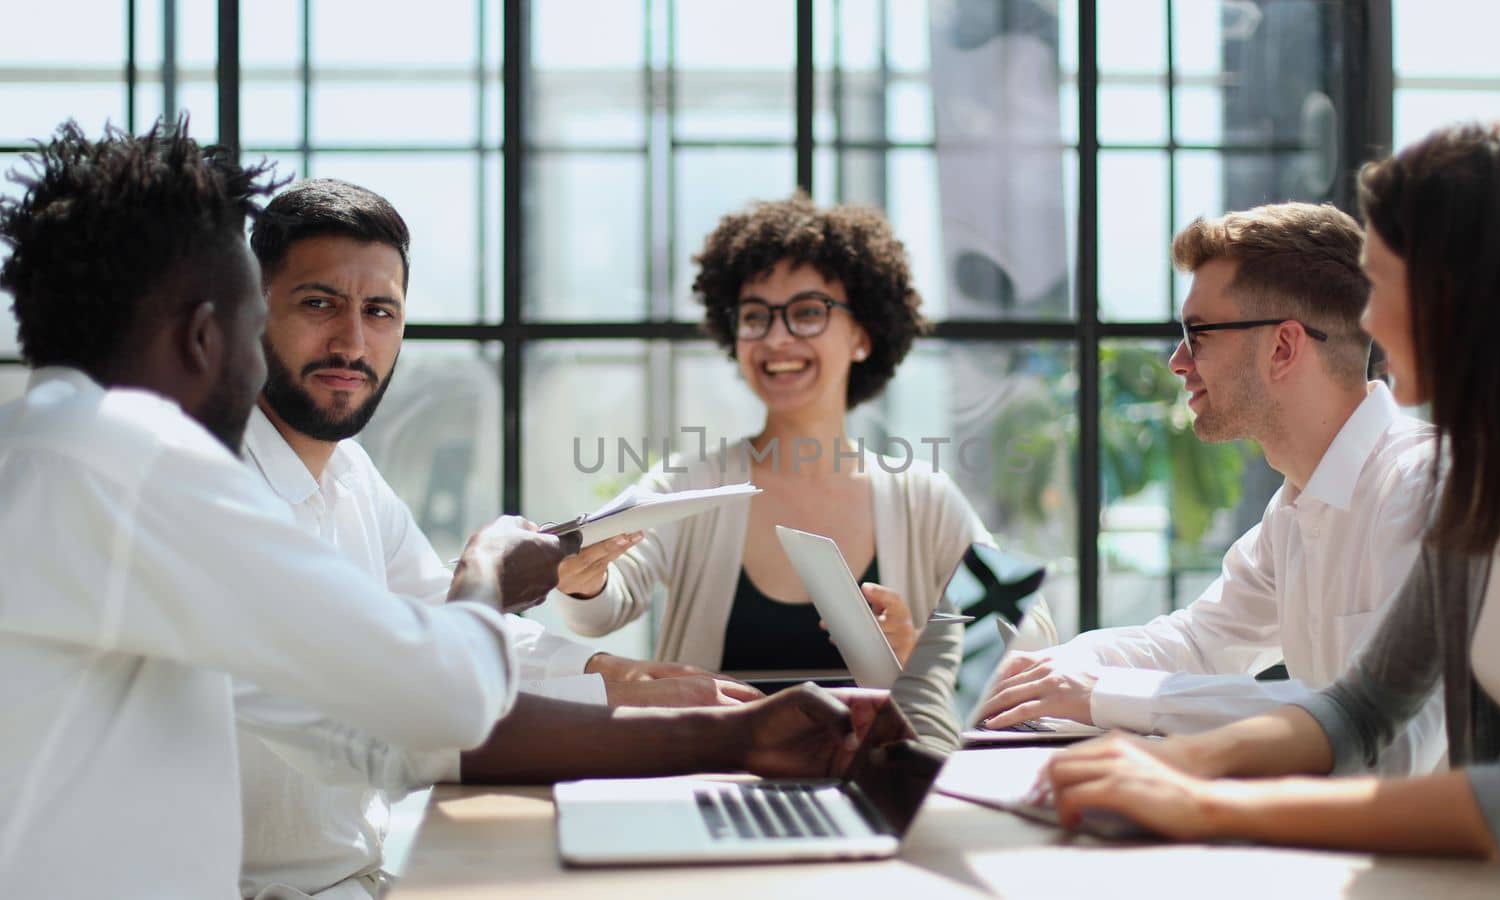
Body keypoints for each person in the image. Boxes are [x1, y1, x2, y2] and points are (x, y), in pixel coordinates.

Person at [1040, 122, 1500, 897]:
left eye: (1385, 285)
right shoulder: (1487, 467)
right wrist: (1173, 760)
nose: (1366, 323)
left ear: (1459, 288)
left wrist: (1208, 804)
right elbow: (1365, 704)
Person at [0, 121, 552, 898]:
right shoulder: (134, 459)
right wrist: (489, 570)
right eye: (252, 328)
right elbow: (444, 700)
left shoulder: (38, 444)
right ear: (204, 336)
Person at [236, 178, 770, 899]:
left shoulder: (351, 474)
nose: (353, 342)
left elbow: (432, 618)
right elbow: (404, 720)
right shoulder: (221, 497)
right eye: (319, 303)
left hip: (361, 877)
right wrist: (490, 581)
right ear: (251, 312)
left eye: (380, 311)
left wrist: (625, 679)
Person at [979, 202, 1445, 775]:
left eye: (1197, 335)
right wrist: (1042, 674)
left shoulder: (1419, 489)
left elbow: (1389, 739)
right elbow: (1198, 643)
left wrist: (1105, 691)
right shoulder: (1295, 508)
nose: (1177, 362)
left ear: (1282, 348)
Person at [552, 193, 993, 747]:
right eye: (756, 317)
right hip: (716, 780)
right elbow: (601, 610)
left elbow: (1021, 636)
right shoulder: (691, 483)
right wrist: (584, 580)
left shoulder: (923, 498)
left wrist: (922, 654)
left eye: (808, 312)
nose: (777, 338)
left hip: (882, 788)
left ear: (862, 335)